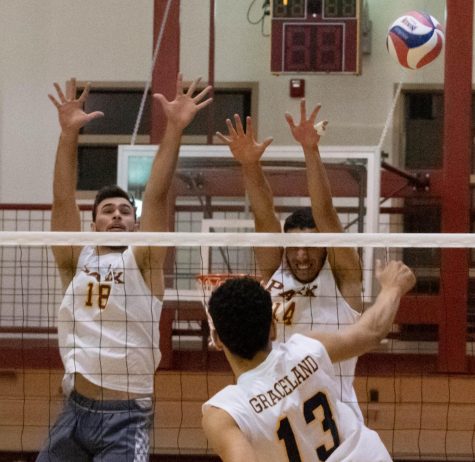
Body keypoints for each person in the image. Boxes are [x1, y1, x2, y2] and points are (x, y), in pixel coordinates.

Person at [36, 74, 212, 461]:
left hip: (126, 415)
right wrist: (68, 135)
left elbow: (157, 193)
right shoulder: (75, 260)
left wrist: (175, 128)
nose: (117, 216)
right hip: (75, 411)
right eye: (107, 210)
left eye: (125, 211)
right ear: (94, 222)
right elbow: (62, 198)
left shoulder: (144, 260)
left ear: (135, 224)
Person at [216, 100, 364, 417]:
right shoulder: (276, 270)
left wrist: (310, 150)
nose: (300, 255)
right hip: (279, 415)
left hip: (337, 419)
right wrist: (249, 164)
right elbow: (264, 214)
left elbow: (326, 214)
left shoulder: (344, 277)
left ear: (325, 246)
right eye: (293, 245)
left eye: (310, 245)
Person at [202, 260, 415, 461]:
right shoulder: (306, 349)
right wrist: (392, 287)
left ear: (217, 339)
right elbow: (372, 331)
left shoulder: (224, 412)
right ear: (273, 329)